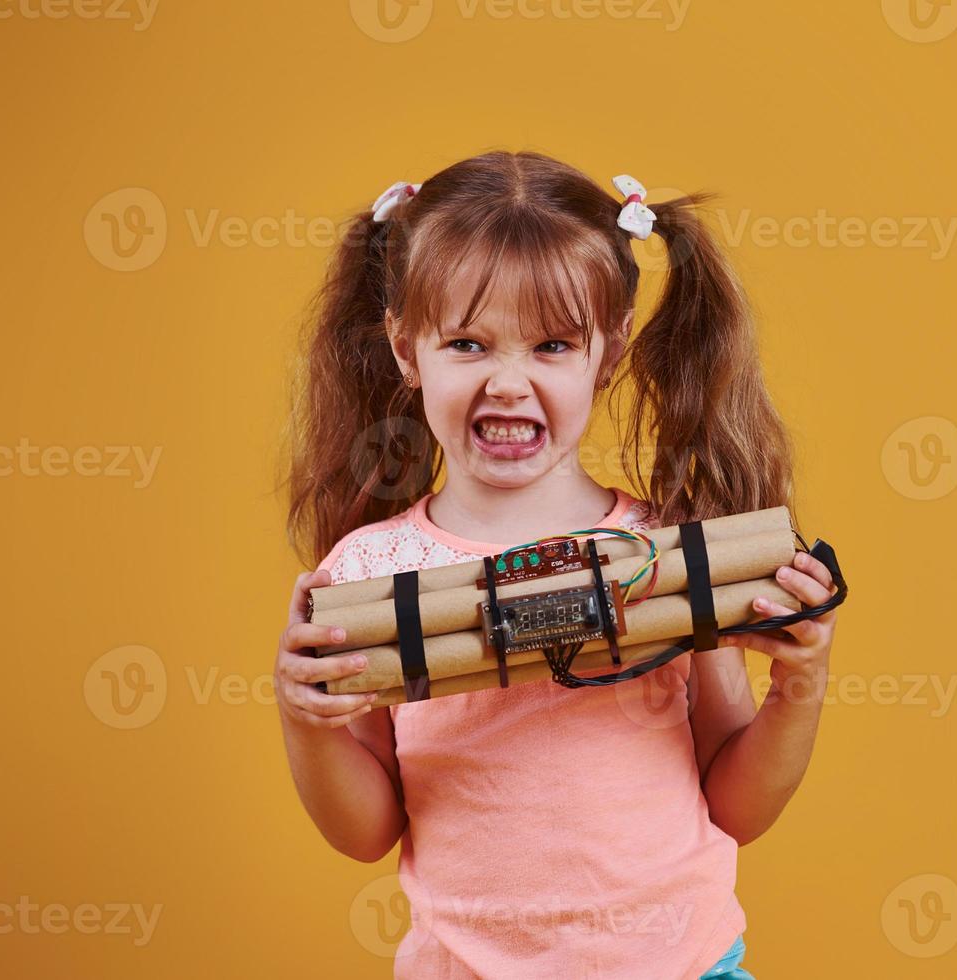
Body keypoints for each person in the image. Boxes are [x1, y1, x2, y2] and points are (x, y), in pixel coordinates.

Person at [274, 150, 839, 978]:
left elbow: (736, 807)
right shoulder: (371, 573)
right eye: (467, 343)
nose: (508, 381)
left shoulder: (670, 557)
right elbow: (363, 833)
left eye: (550, 345)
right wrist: (305, 718)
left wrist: (800, 687)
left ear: (607, 356)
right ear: (406, 350)